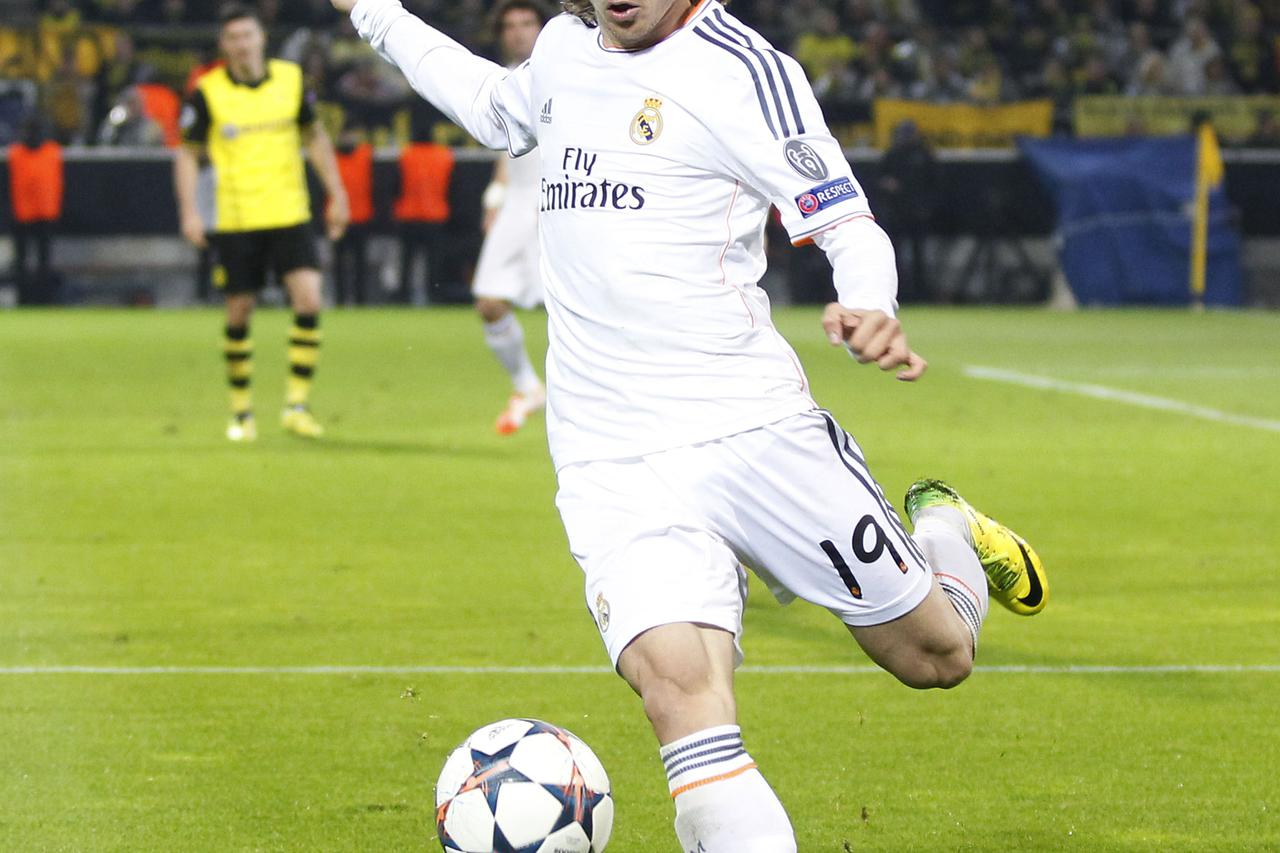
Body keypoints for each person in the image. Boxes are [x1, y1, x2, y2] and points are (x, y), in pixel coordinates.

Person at [336, 0, 1049, 849]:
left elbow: (844, 217)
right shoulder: (564, 51)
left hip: (750, 428)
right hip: (611, 454)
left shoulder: (746, 71)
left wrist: (868, 301)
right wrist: (378, 13)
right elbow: (493, 105)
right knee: (680, 694)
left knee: (935, 655)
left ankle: (941, 519)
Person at [173, 3, 349, 442]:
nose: (242, 45)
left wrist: (337, 192)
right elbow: (188, 154)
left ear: (261, 38)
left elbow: (314, 137)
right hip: (237, 217)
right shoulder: (209, 91)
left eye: (248, 35)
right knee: (239, 310)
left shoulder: (290, 81)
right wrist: (191, 210)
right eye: (233, 38)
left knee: (309, 300)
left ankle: (296, 405)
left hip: (290, 211)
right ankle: (241, 412)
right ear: (224, 45)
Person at [473, 0, 549, 435]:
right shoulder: (504, 81)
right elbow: (507, 152)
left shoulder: (567, 72)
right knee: (488, 299)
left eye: (527, 23)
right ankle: (526, 385)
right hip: (519, 202)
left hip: (565, 200)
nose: (519, 32)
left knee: (569, 308)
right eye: (511, 26)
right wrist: (494, 201)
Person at [7, 117, 63, 306]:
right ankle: (24, 299)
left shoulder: (51, 152)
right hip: (24, 213)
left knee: (43, 262)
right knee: (24, 262)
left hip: (42, 213)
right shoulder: (17, 153)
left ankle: (42, 299)